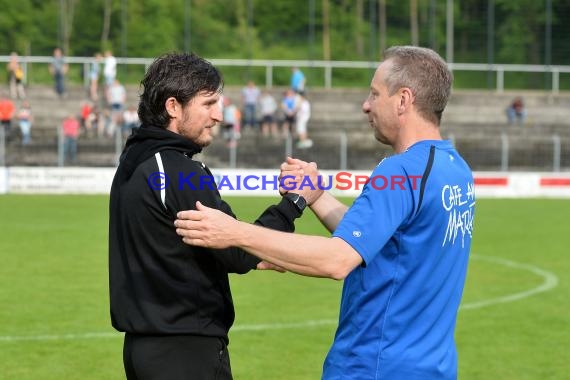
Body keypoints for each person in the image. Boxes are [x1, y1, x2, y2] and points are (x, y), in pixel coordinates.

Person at [174, 46, 476, 380]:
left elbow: (337, 260)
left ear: (403, 100)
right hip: (433, 367)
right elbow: (374, 239)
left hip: (376, 366)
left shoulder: (401, 171)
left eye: (375, 94)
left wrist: (234, 232)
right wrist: (316, 195)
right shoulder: (454, 168)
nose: (366, 105)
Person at [108, 52, 311, 380]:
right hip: (187, 352)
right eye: (208, 103)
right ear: (173, 107)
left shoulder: (133, 162)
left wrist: (265, 252)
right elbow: (238, 251)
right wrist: (296, 202)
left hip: (144, 350)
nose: (219, 115)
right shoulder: (179, 171)